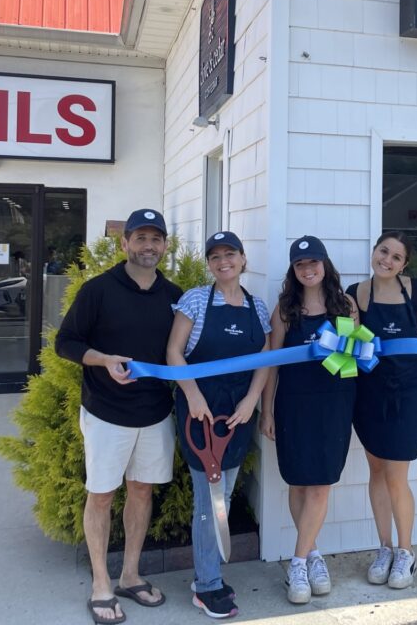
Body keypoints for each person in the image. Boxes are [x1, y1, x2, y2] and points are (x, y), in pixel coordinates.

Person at [56, 209, 182, 625]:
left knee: (142, 492)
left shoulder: (175, 296)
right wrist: (103, 360)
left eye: (156, 239)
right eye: (140, 238)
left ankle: (130, 574)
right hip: (107, 412)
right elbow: (66, 343)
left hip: (155, 413)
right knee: (103, 495)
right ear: (125, 243)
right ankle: (100, 584)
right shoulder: (98, 290)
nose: (148, 246)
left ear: (165, 245)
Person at [166, 231, 272, 620]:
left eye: (230, 254)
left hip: (238, 413)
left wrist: (251, 401)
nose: (223, 261)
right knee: (209, 502)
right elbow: (173, 352)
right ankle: (207, 585)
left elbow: (264, 358)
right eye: (215, 256)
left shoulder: (257, 308)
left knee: (223, 496)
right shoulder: (195, 300)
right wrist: (193, 396)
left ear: (243, 260)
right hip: (201, 414)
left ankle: (207, 576)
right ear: (209, 264)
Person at [346, 231, 417, 590]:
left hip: (407, 392)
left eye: (396, 257)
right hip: (370, 393)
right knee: (376, 470)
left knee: (397, 475)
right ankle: (384, 548)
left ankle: (406, 552)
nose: (388, 261)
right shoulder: (356, 294)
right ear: (373, 251)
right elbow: (352, 343)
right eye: (384, 252)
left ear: (404, 265)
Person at [260, 236, 357, 605]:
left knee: (320, 484)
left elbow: (352, 361)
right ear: (294, 270)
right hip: (293, 404)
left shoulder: (345, 304)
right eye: (301, 264)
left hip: (334, 403)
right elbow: (271, 366)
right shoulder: (284, 309)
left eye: (314, 261)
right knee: (299, 483)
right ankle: (313, 553)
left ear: (325, 264)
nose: (309, 269)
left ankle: (298, 562)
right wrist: (267, 411)